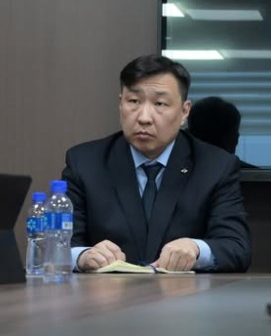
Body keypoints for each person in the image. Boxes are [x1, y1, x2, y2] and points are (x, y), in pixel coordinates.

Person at [62, 54, 251, 272]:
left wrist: (196, 249)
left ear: (184, 111)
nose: (144, 117)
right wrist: (83, 256)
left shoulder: (216, 166)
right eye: (134, 101)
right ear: (120, 103)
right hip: (107, 292)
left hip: (184, 293)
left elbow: (237, 247)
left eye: (159, 104)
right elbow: (59, 244)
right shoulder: (85, 162)